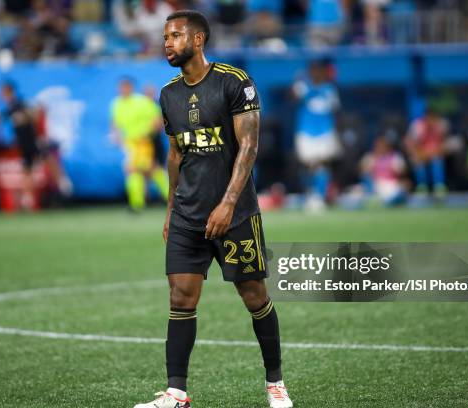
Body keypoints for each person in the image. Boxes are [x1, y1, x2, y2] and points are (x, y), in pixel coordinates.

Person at [133, 10, 293, 408]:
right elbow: (174, 154)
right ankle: (176, 393)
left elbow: (249, 148)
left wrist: (226, 204)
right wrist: (171, 208)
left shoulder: (234, 83)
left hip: (235, 215)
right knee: (180, 299)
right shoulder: (168, 93)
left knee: (254, 296)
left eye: (174, 36)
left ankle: (275, 383)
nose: (167, 42)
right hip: (187, 214)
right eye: (165, 36)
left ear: (198, 39)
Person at [110, 77, 169, 211]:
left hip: (144, 142)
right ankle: (143, 202)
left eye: (126, 86)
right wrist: (117, 136)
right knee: (148, 170)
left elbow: (158, 119)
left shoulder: (142, 102)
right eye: (121, 87)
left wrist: (147, 134)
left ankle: (138, 204)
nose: (123, 89)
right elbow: (115, 124)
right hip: (130, 144)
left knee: (135, 169)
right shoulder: (117, 104)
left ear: (131, 87)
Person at [292, 60, 341, 210]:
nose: (316, 73)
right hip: (306, 132)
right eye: (313, 70)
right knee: (308, 165)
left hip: (324, 132)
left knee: (323, 164)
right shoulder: (304, 87)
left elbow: (335, 110)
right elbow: (293, 96)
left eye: (318, 70)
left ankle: (319, 195)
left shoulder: (329, 90)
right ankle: (311, 193)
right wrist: (298, 82)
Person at [0, 81, 39, 210]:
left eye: (3, 91)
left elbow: (33, 114)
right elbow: (0, 118)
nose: (0, 94)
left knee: (30, 169)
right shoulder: (10, 106)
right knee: (27, 170)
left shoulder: (18, 103)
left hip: (29, 142)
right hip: (23, 143)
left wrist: (23, 117)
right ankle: (27, 198)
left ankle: (28, 199)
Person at [404, 108, 448, 196]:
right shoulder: (417, 126)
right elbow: (410, 143)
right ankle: (422, 187)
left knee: (437, 161)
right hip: (421, 154)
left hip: (436, 153)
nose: (431, 121)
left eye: (434, 118)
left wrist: (433, 152)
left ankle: (439, 187)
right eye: (429, 118)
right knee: (418, 162)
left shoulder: (441, 125)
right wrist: (421, 154)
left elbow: (444, 144)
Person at [360, 136, 408, 206]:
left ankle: (387, 202)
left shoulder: (395, 157)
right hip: (375, 185)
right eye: (378, 145)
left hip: (390, 184)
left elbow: (402, 171)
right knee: (365, 179)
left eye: (383, 145)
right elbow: (362, 170)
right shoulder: (371, 157)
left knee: (401, 189)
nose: (380, 147)